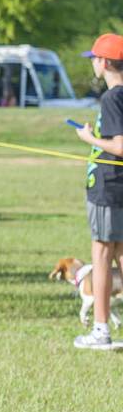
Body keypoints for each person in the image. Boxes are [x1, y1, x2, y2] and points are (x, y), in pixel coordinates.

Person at [72, 33, 123, 350]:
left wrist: (90, 140)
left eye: (93, 58)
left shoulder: (111, 98)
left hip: (109, 188)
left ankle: (101, 330)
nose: (92, 63)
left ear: (104, 62)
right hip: (117, 187)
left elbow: (119, 146)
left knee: (102, 257)